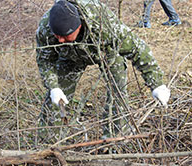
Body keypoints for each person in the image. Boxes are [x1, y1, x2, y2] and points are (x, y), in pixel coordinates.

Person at [36, 0, 170, 140]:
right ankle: (49, 142)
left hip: (107, 51)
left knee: (117, 93)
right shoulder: (46, 29)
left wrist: (157, 84)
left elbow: (138, 49)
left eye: (64, 35)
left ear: (78, 26)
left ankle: (113, 141)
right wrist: (53, 87)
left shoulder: (103, 24)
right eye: (57, 36)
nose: (61, 40)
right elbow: (45, 60)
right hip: (69, 56)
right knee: (57, 97)